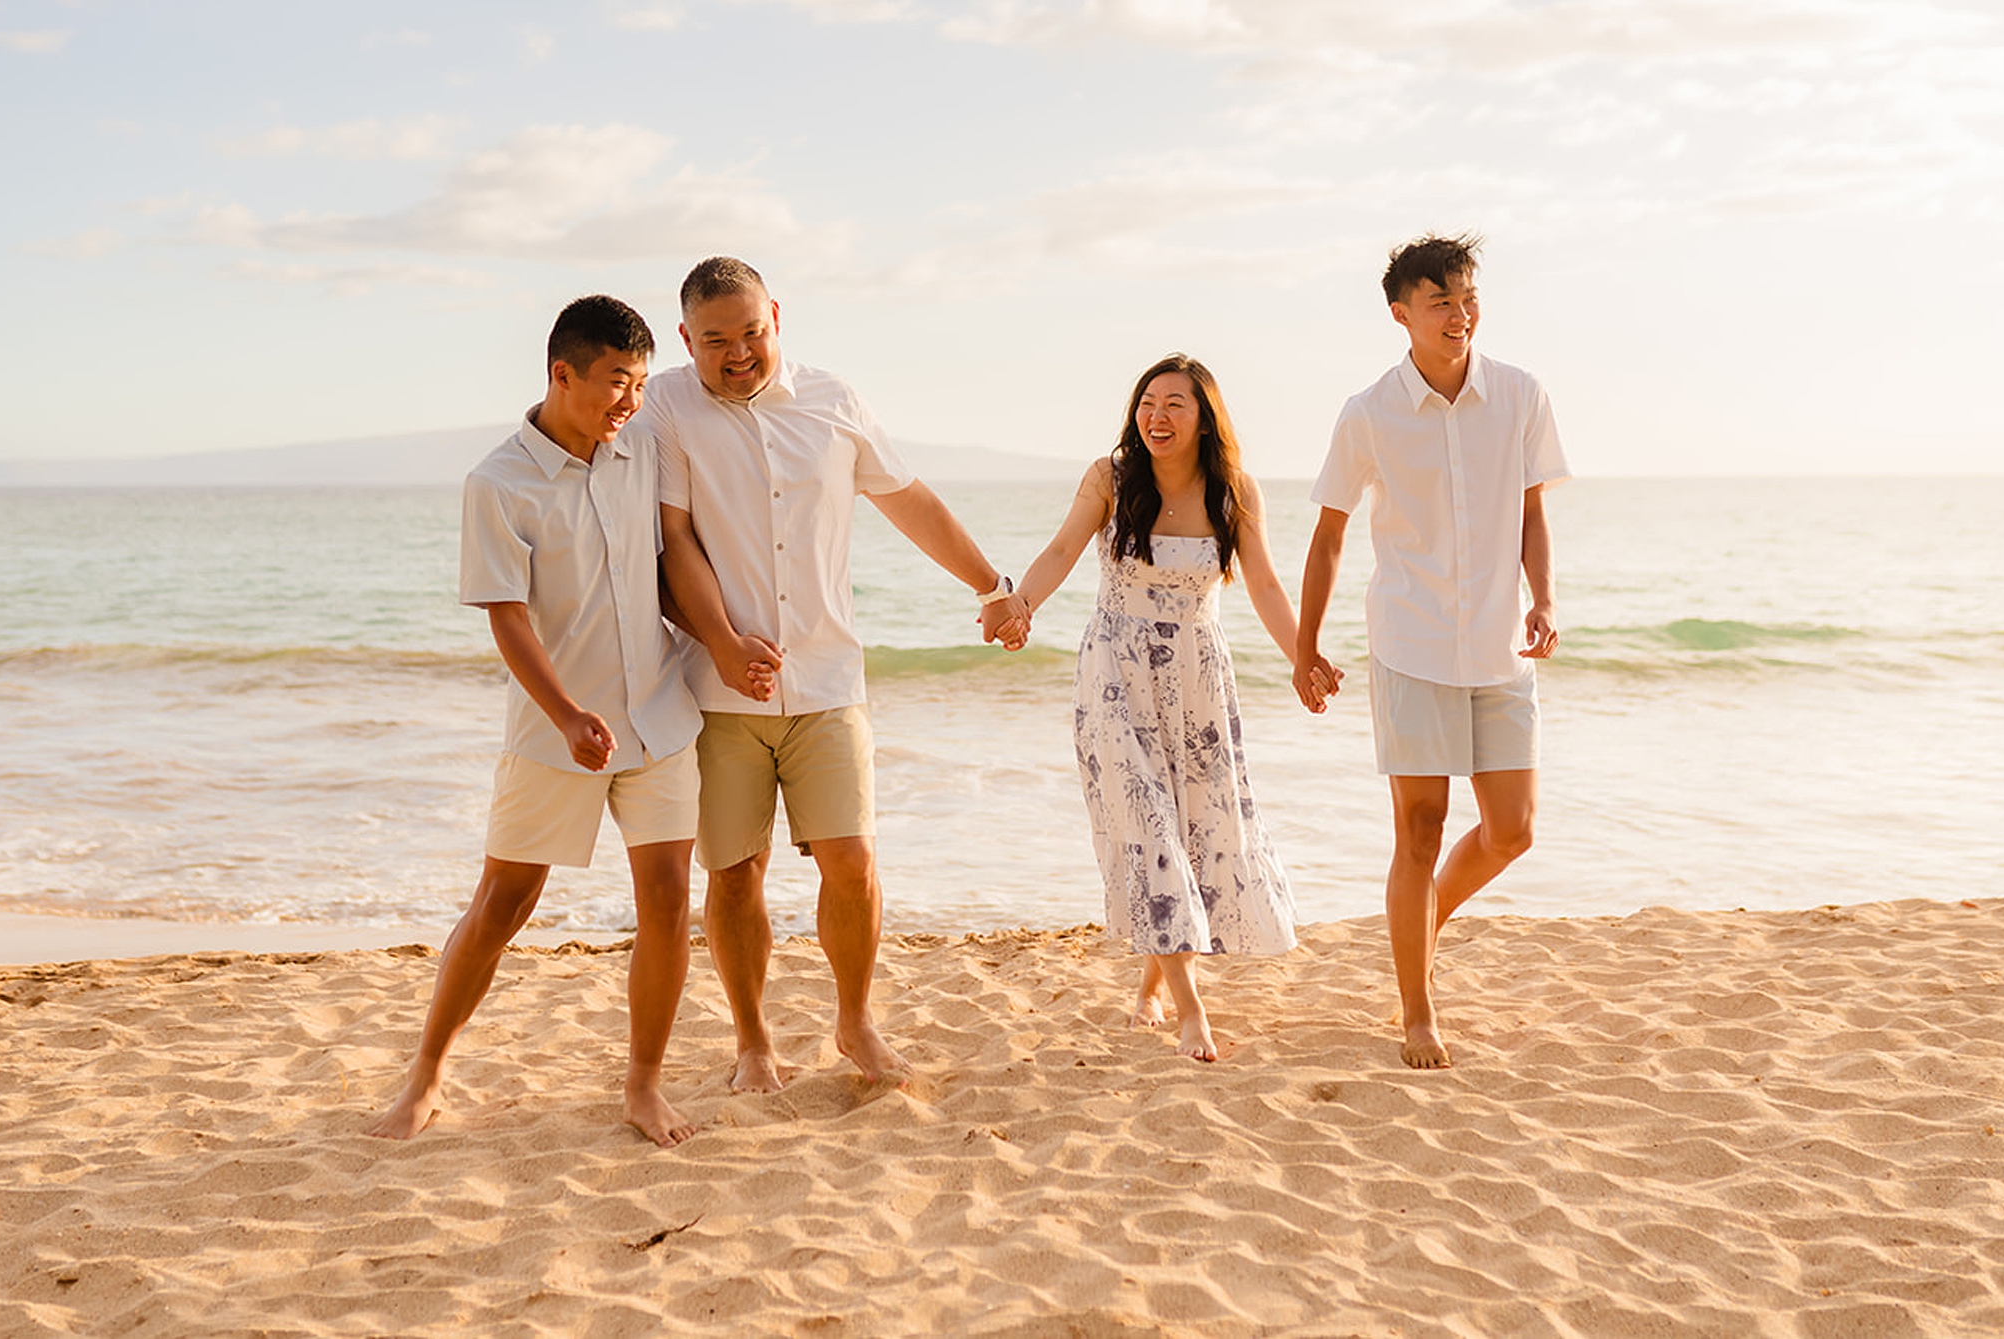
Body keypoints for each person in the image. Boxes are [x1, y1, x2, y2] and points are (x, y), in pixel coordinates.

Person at [648, 256, 1025, 1091]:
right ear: (686, 340)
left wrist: (992, 587)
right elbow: (672, 540)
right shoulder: (668, 405)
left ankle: (855, 1021)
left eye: (752, 331)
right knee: (735, 873)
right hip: (720, 691)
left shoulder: (834, 400)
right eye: (716, 341)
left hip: (827, 681)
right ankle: (753, 1043)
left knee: (851, 861)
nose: (739, 352)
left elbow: (910, 499)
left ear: (776, 315)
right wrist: (722, 641)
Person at [366, 296, 706, 1147]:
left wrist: (726, 643)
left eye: (638, 382)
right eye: (616, 383)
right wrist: (564, 714)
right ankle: (427, 1073)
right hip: (557, 731)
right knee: (503, 901)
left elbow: (665, 575)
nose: (630, 401)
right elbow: (507, 616)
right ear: (562, 374)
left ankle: (643, 1084)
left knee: (666, 899)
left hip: (659, 717)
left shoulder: (641, 455)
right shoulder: (499, 483)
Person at [995, 355, 1325, 1061]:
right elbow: (1060, 549)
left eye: (1175, 403)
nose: (1158, 416)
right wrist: (1022, 602)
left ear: (1205, 416)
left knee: (1189, 829)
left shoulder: (1234, 491)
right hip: (1115, 670)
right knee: (1147, 823)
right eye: (1148, 401)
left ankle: (1150, 986)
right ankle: (1191, 1011)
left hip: (1199, 678)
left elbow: (1265, 585)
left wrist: (1304, 656)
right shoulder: (1111, 479)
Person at [1292, 235, 1570, 1069]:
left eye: (1468, 297)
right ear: (1401, 314)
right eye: (1441, 300)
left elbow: (1531, 514)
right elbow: (1330, 533)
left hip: (1497, 646)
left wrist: (1545, 598)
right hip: (1410, 644)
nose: (1461, 314)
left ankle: (1422, 919)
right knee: (1420, 828)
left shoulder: (1520, 395)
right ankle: (1419, 1012)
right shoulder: (1368, 412)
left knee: (1512, 829)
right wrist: (1305, 644)